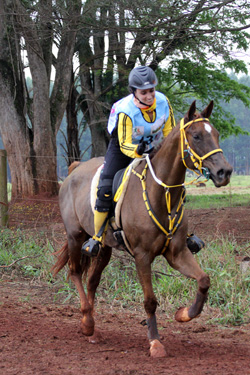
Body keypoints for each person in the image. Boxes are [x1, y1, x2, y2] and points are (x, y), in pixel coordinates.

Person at [82, 66, 204, 257]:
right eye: (144, 92)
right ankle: (97, 237)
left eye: (151, 91)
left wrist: (166, 152)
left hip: (154, 146)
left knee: (172, 184)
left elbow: (170, 133)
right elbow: (124, 144)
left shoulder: (163, 102)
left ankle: (183, 233)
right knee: (106, 185)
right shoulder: (126, 111)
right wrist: (137, 151)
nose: (149, 96)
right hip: (124, 149)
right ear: (134, 92)